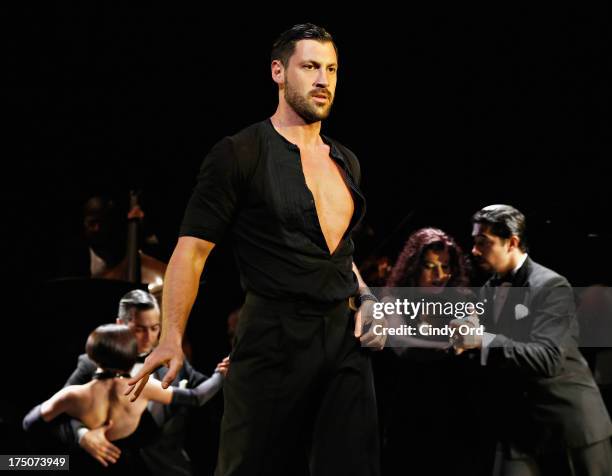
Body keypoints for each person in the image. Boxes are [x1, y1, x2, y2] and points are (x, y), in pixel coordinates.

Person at [127, 23, 382, 476]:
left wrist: (366, 297)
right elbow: (191, 252)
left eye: (332, 69)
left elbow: (339, 253)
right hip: (273, 335)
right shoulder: (239, 153)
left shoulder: (347, 161)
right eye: (309, 67)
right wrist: (170, 335)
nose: (323, 80)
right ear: (278, 72)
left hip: (343, 339)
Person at [451, 204, 612, 476]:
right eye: (474, 242)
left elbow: (547, 358)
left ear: (511, 242)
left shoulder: (551, 286)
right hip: (517, 426)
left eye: (483, 242)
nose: (475, 250)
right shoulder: (490, 288)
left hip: (567, 424)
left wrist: (483, 340)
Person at [24, 324, 224, 475]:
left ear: (92, 357)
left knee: (12, 462)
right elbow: (197, 397)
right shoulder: (142, 388)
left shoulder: (73, 395)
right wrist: (220, 375)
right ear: (131, 358)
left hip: (82, 466)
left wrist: (70, 441)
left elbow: (30, 423)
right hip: (130, 468)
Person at [65, 289, 228, 475]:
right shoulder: (91, 363)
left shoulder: (174, 360)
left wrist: (224, 373)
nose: (149, 337)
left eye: (155, 328)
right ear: (119, 324)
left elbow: (210, 395)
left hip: (168, 468)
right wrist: (83, 435)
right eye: (139, 329)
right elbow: (61, 410)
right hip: (109, 466)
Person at [381, 228, 483, 476]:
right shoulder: (392, 301)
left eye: (446, 267)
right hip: (408, 411)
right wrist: (454, 346)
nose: (440, 276)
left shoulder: (461, 299)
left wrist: (472, 331)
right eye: (430, 267)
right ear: (414, 268)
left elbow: (473, 333)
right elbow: (404, 346)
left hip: (453, 413)